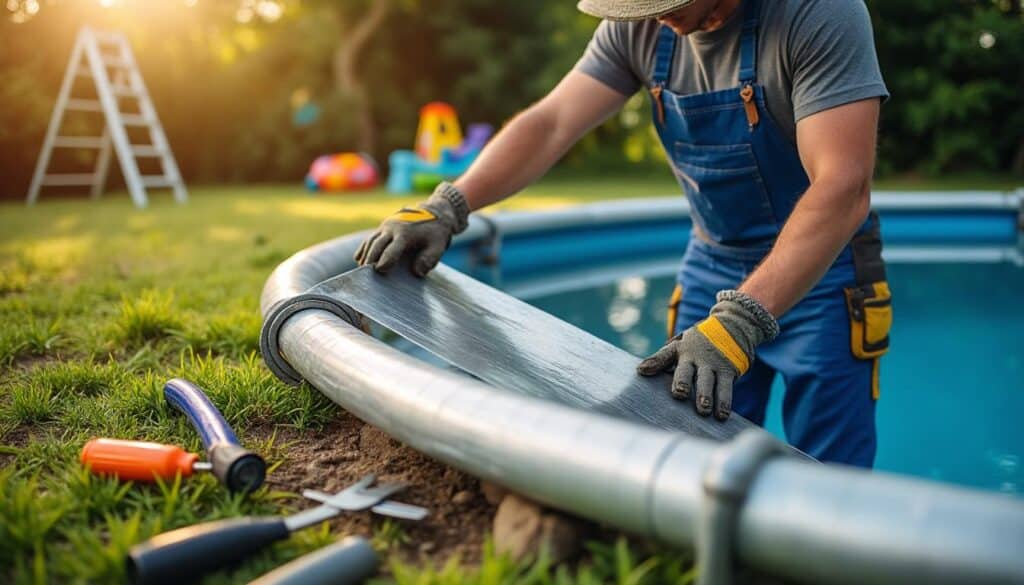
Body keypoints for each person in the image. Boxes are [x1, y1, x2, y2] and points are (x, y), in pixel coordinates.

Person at [355, 0, 892, 467]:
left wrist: (741, 318)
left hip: (829, 273)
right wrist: (450, 204)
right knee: (684, 453)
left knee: (828, 474)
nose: (655, 16)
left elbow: (843, 186)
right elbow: (551, 123)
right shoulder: (640, 25)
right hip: (712, 262)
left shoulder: (816, 13)